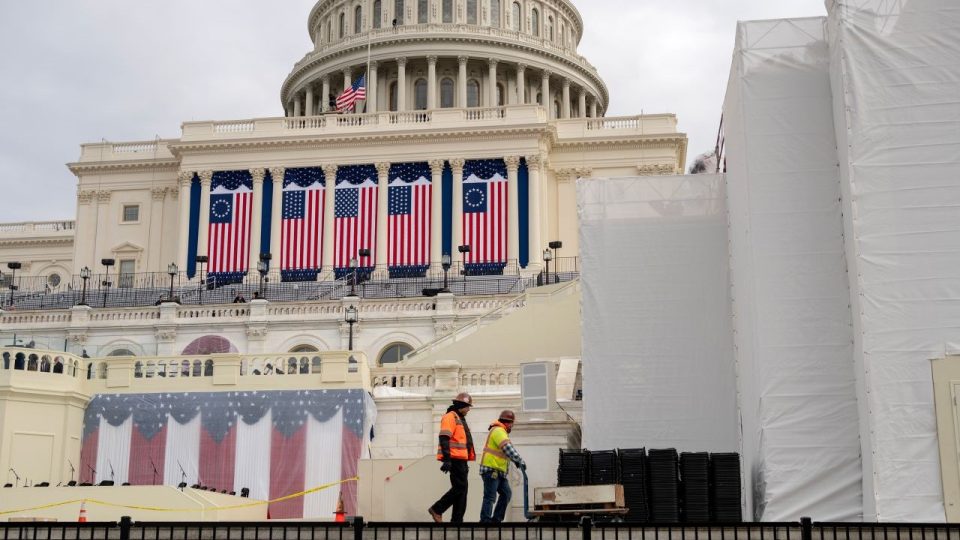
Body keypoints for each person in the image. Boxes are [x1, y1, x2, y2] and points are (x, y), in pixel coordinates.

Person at [428, 392, 475, 523]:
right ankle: (437, 509)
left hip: (461, 460)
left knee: (462, 491)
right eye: (468, 407)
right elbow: (444, 438)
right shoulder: (450, 417)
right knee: (460, 488)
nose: (469, 410)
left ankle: (457, 520)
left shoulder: (459, 418)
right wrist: (447, 460)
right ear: (462, 405)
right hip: (455, 459)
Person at [479, 410, 525, 523]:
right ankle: (485, 521)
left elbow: (505, 452)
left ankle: (496, 520)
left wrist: (515, 461)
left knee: (506, 493)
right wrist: (520, 460)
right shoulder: (499, 430)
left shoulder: (500, 431)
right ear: (508, 422)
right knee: (490, 496)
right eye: (512, 424)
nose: (512, 427)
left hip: (498, 471)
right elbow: (507, 448)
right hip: (491, 469)